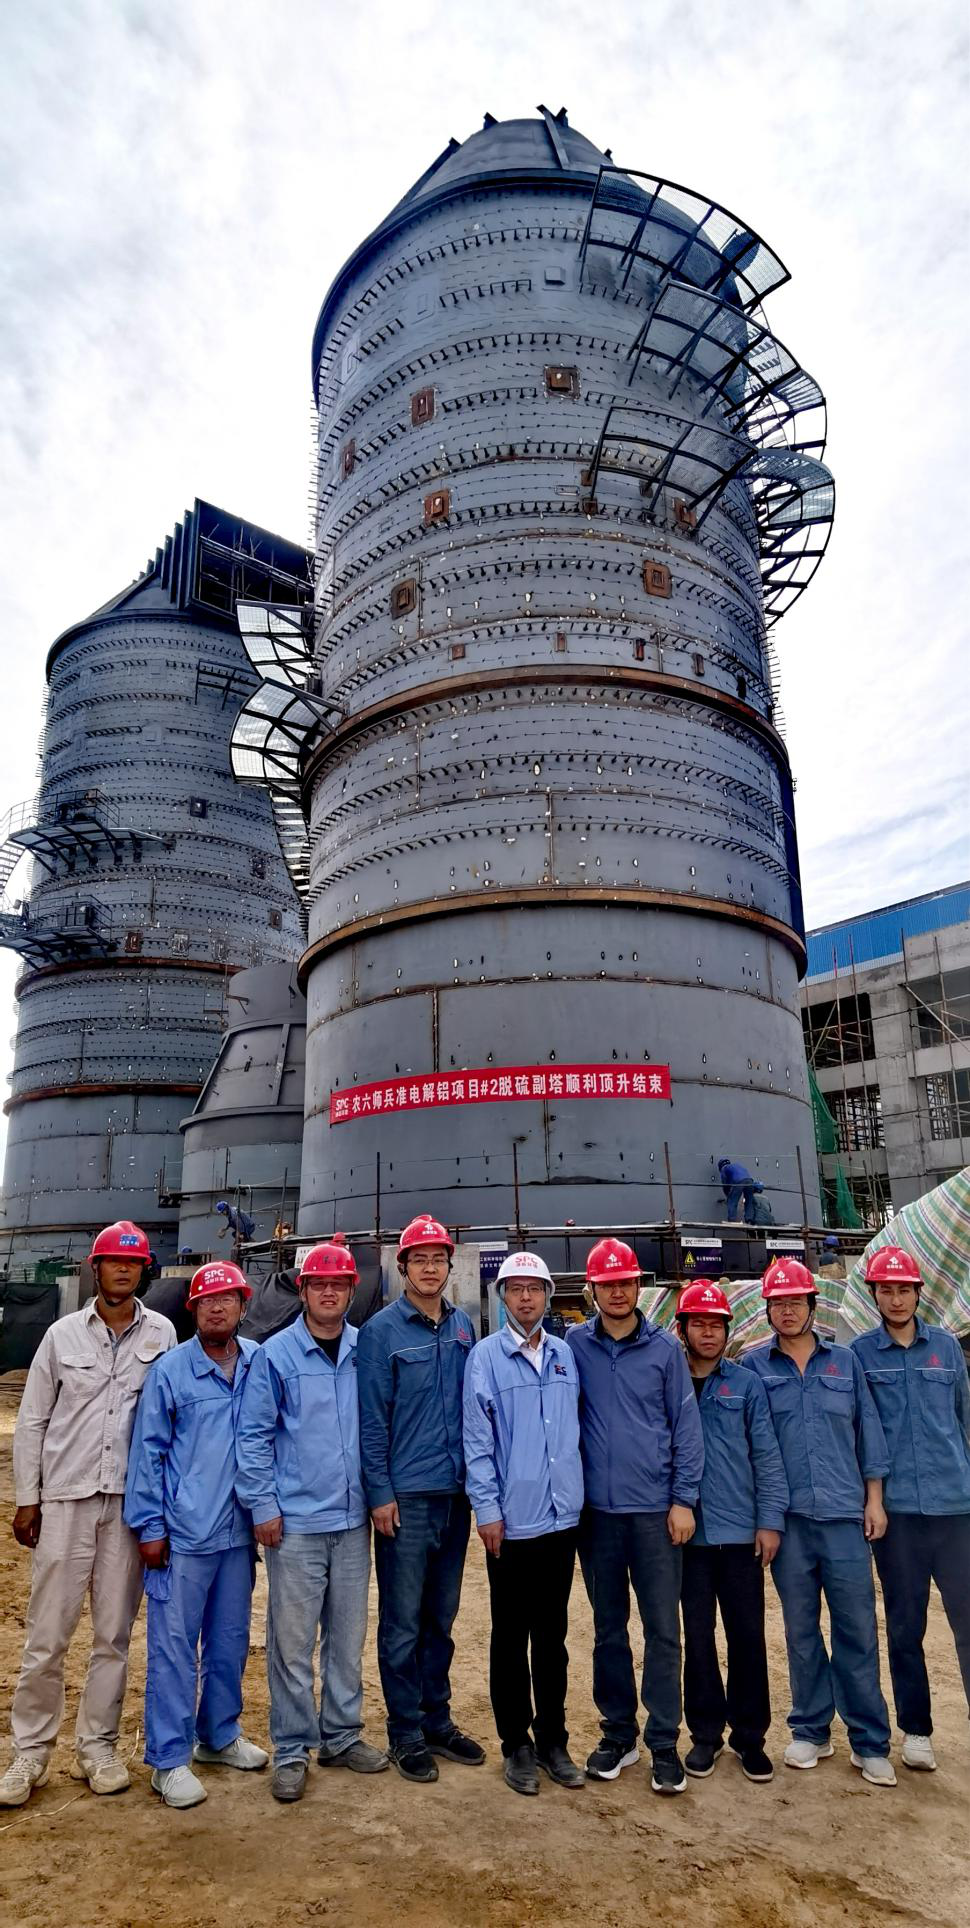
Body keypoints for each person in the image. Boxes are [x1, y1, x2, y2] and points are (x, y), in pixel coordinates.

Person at [0, 1222, 175, 1809]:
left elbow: (170, 1421)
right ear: (94, 1269)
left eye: (133, 1263)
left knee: (112, 1635)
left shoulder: (163, 1334)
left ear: (144, 1271)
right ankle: (30, 1752)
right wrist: (28, 1498)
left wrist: (161, 1511)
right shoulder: (61, 1336)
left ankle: (98, 1747)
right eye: (113, 1262)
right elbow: (33, 1420)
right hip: (66, 1501)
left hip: (128, 1504)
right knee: (47, 1635)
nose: (123, 1270)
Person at [236, 1240, 387, 1803]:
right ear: (302, 1291)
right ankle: (293, 1747)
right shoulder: (275, 1355)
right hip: (296, 1523)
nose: (329, 1292)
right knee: (292, 1643)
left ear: (351, 1292)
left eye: (338, 1284)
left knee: (346, 1638)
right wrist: (264, 1506)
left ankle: (342, 1736)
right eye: (319, 1284)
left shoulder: (364, 1349)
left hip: (352, 1521)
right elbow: (253, 1436)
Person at [744, 1258, 896, 1786]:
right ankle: (811, 1729)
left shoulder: (845, 1363)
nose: (787, 1311)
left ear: (812, 1306)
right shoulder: (754, 1369)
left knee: (857, 1629)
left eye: (796, 1302)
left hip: (844, 1518)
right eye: (778, 1303)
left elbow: (868, 1434)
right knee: (801, 1630)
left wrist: (874, 1500)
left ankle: (869, 1740)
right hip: (789, 1525)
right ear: (767, 1311)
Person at [124, 1260, 268, 1808]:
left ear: (243, 1305)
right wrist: (151, 1526)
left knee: (229, 1643)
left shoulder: (258, 1363)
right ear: (193, 1310)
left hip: (238, 1534)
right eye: (206, 1300)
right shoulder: (170, 1372)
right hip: (184, 1536)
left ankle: (218, 1736)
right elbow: (149, 1453)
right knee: (174, 1649)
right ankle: (168, 1759)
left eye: (227, 1298)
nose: (216, 1307)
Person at [567, 1237, 704, 1796]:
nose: (618, 1292)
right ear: (592, 1290)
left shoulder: (665, 1350)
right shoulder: (574, 1346)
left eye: (626, 1282)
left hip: (654, 1515)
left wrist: (682, 1500)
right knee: (608, 1630)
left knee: (663, 1631)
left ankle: (664, 1742)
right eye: (608, 1284)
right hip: (597, 1517)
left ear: (637, 1286)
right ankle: (618, 1734)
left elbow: (685, 1429)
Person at [356, 1214, 485, 1783]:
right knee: (402, 1621)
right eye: (420, 1260)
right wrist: (380, 1493)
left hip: (454, 1496)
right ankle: (405, 1731)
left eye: (438, 1259)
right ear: (402, 1266)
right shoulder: (380, 1332)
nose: (430, 1268)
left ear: (449, 1267)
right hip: (405, 1499)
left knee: (441, 1617)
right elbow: (371, 1421)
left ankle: (437, 1720)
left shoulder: (462, 1327)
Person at [463, 1252, 584, 1797]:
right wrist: (487, 1509)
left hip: (562, 1518)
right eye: (516, 1289)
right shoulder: (486, 1358)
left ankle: (554, 1739)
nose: (527, 1298)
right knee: (511, 1637)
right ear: (503, 1297)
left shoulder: (564, 1354)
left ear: (548, 1295)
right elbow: (477, 1441)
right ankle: (516, 1744)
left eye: (535, 1288)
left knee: (553, 1636)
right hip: (513, 1522)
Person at [851, 1245, 970, 1771]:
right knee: (905, 1626)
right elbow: (860, 1432)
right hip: (897, 1515)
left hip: (956, 1508)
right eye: (886, 1290)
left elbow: (965, 1421)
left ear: (918, 1293)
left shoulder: (946, 1348)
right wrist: (872, 1500)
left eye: (904, 1290)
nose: (896, 1299)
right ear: (874, 1295)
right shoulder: (860, 1355)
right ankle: (916, 1730)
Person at [675, 1281, 788, 1785]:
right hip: (688, 1540)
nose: (708, 1333)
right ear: (682, 1330)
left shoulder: (746, 1385)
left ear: (727, 1331)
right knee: (697, 1638)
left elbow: (766, 1455)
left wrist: (769, 1521)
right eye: (698, 1323)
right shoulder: (669, 1382)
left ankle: (750, 1737)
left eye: (716, 1325)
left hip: (741, 1535)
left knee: (747, 1637)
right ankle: (704, 1735)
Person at [717, 1159, 765, 1225]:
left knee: (732, 1201)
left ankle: (732, 1220)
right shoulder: (736, 1165)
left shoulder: (724, 1168)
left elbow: (725, 1183)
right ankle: (749, 1220)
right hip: (749, 1181)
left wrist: (728, 1195)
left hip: (738, 1181)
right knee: (749, 1202)